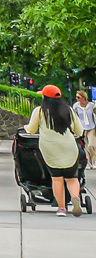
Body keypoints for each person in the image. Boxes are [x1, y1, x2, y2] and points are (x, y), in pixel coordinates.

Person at [27, 85, 84, 216]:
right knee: (72, 178)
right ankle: (75, 198)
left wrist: (26, 127)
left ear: (45, 97)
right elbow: (79, 131)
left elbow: (31, 129)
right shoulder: (68, 110)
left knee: (57, 178)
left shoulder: (40, 111)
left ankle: (62, 209)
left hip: (50, 149)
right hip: (69, 147)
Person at [74, 89, 96, 161]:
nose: (77, 99)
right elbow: (75, 117)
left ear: (84, 97)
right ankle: (89, 163)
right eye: (76, 97)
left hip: (91, 128)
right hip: (82, 129)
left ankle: (94, 160)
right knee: (85, 147)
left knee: (91, 145)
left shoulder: (92, 105)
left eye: (78, 97)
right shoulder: (76, 106)